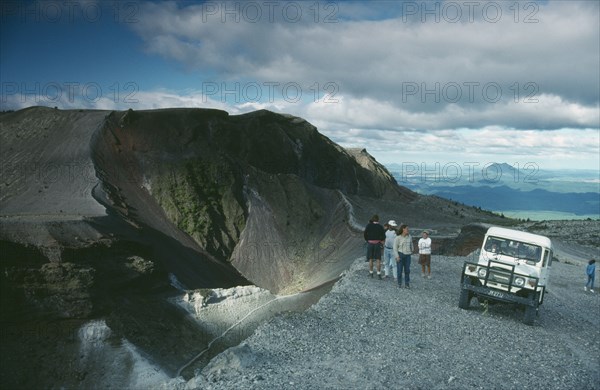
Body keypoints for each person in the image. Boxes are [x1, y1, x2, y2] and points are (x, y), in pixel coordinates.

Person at [363, 214, 386, 279]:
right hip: (377, 244)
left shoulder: (369, 225)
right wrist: (380, 240)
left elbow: (365, 234)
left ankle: (371, 273)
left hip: (370, 243)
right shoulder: (380, 227)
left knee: (370, 259)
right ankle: (379, 274)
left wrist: (367, 240)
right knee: (378, 259)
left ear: (372, 219)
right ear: (378, 220)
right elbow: (383, 236)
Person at [394, 224, 413, 288]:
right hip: (400, 255)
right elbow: (395, 248)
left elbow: (411, 244)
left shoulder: (410, 236)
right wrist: (397, 256)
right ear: (403, 229)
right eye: (407, 229)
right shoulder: (398, 238)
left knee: (407, 270)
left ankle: (407, 284)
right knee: (399, 270)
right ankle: (399, 283)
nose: (408, 230)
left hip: (408, 256)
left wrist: (412, 250)